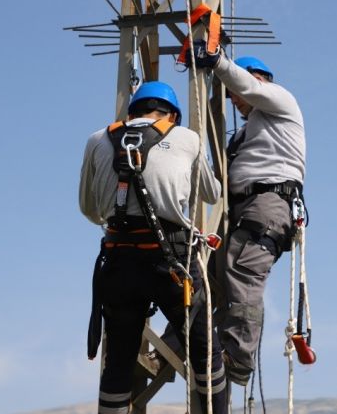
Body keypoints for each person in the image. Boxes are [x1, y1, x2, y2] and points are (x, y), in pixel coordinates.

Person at [78, 81, 227, 413]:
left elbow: (88, 208)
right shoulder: (187, 138)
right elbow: (212, 194)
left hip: (118, 261)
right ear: (172, 115)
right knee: (206, 355)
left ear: (132, 113)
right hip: (171, 261)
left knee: (119, 361)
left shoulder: (97, 140)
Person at [188, 48, 306, 385]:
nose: (234, 101)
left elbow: (249, 89)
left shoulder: (280, 101)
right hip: (242, 209)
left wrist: (217, 62)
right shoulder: (247, 134)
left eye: (234, 93)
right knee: (206, 280)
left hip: (267, 203)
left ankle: (237, 358)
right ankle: (176, 346)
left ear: (257, 79)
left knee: (240, 269)